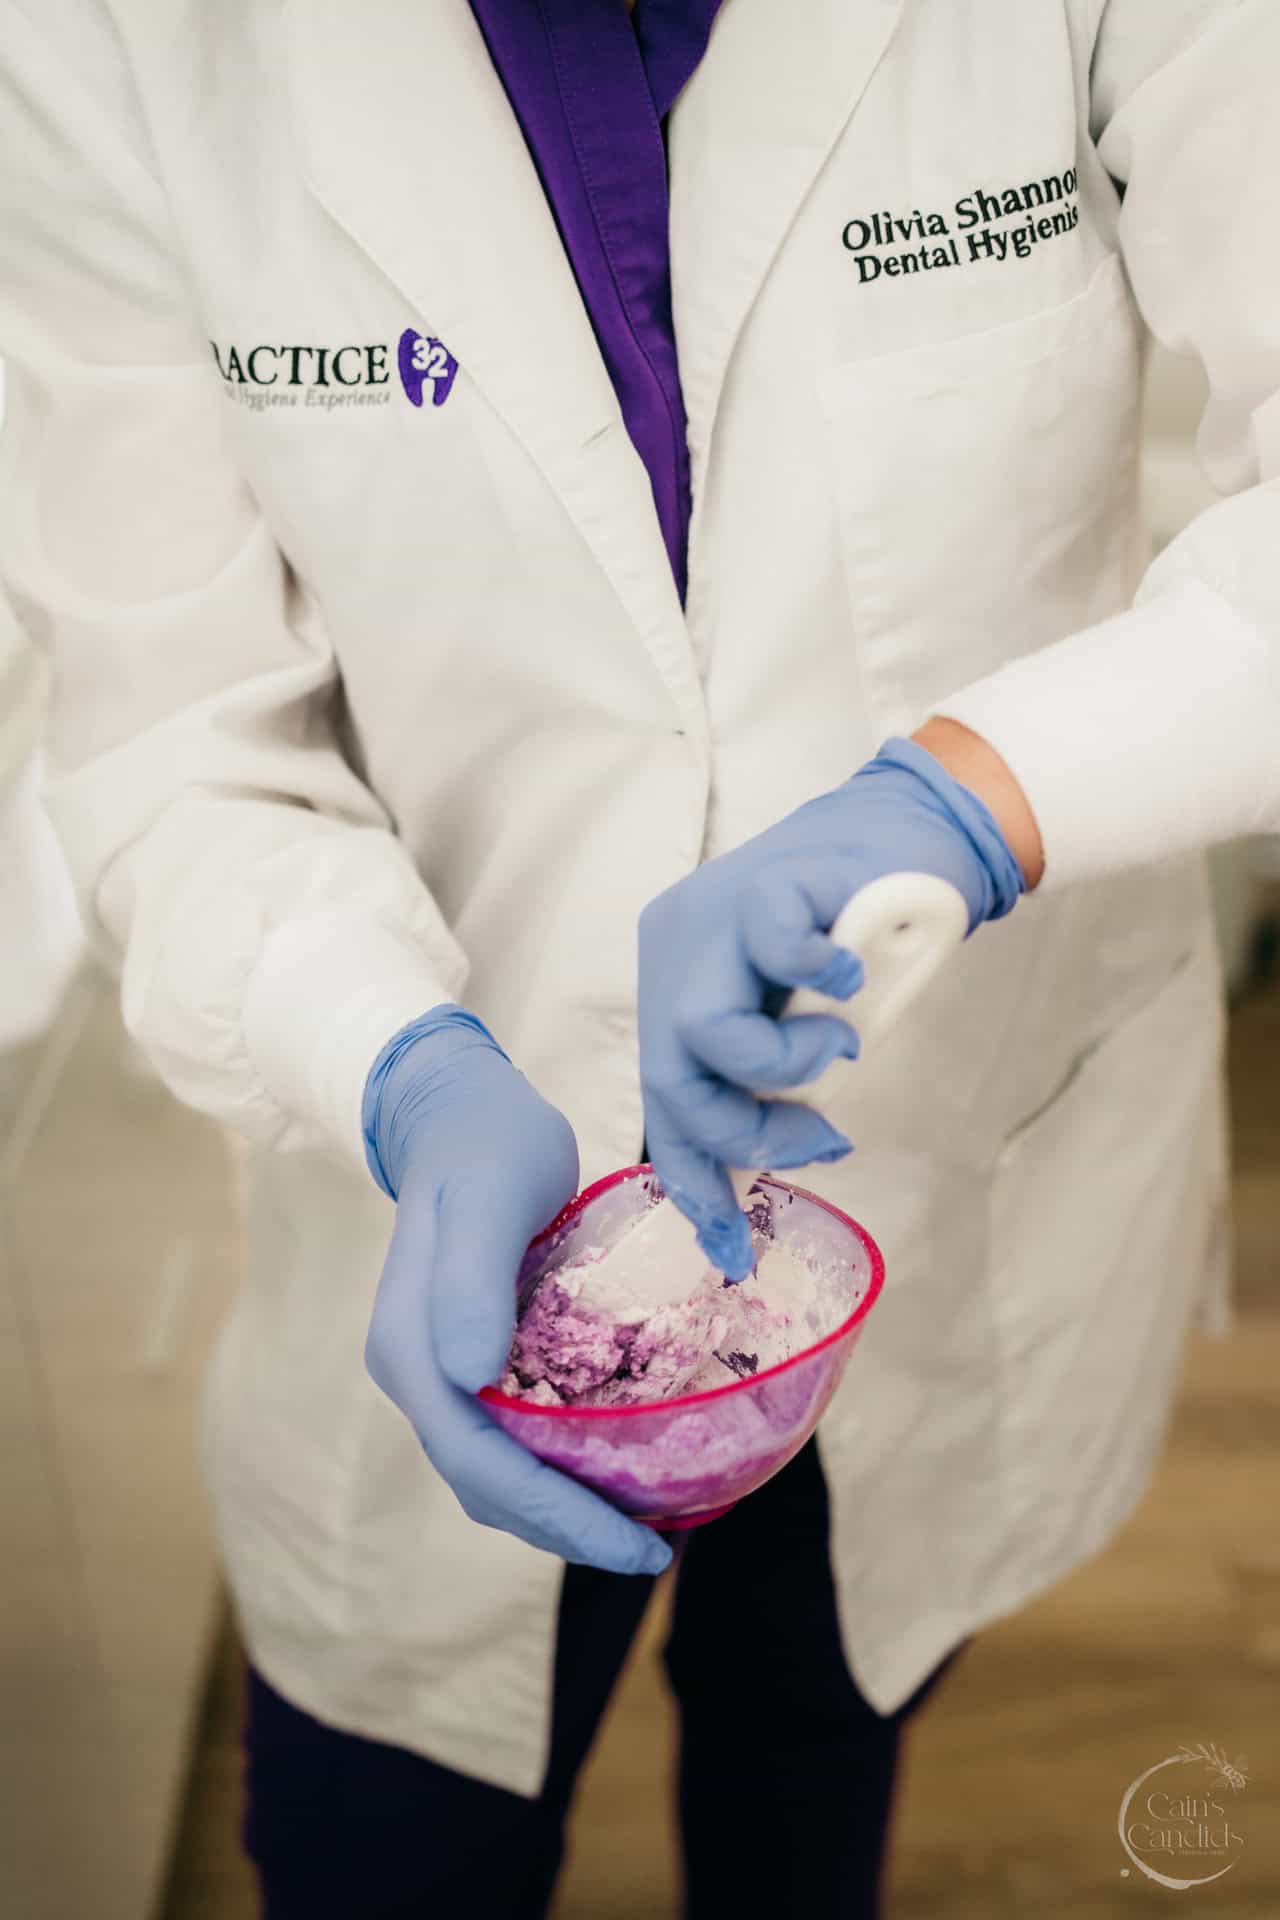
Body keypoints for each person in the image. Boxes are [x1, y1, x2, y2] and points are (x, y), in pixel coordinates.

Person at [2, 2, 1277, 1914]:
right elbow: (169, 733)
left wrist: (970, 798)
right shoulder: (116, 39)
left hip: (928, 1176)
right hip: (441, 1249)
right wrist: (396, 1067)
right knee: (385, 1835)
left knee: (816, 1741)